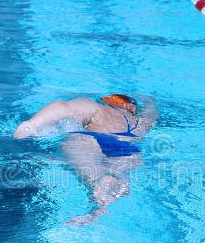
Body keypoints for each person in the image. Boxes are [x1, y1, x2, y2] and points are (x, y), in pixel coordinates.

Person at [13, 94, 156, 224]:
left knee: (89, 169)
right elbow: (152, 111)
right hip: (129, 150)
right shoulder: (141, 123)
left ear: (111, 101)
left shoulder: (101, 109)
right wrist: (148, 100)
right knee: (116, 177)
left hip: (95, 139)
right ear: (132, 108)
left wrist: (31, 125)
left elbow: (63, 108)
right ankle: (100, 209)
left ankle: (97, 189)